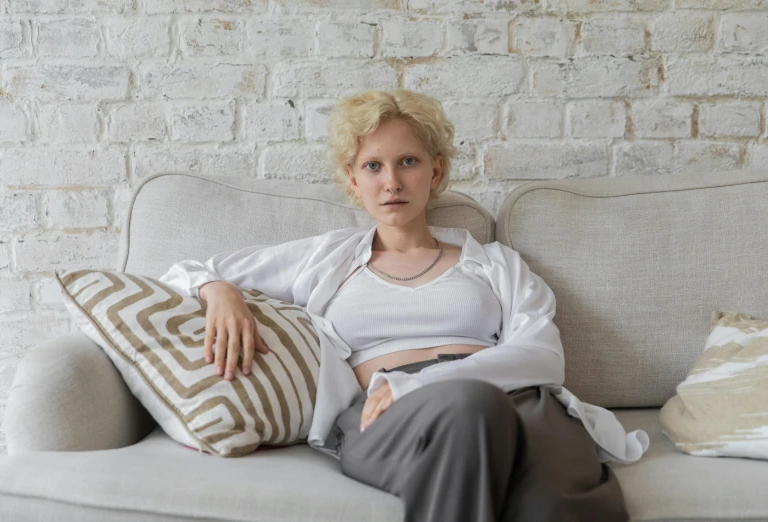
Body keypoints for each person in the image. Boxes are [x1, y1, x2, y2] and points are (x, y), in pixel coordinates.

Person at [159, 88, 649, 522]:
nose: (391, 181)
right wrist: (219, 291)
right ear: (353, 180)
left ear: (435, 171)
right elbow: (183, 272)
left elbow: (544, 357)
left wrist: (425, 380)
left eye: (408, 162)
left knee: (547, 500)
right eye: (373, 166)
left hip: (515, 400)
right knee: (473, 409)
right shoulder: (328, 257)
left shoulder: (495, 262)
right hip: (383, 417)